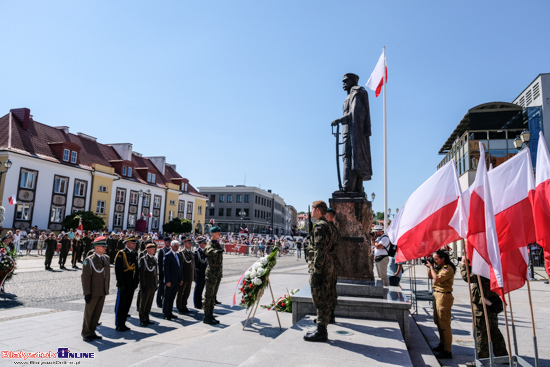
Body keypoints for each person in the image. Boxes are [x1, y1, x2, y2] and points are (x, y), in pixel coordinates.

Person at [460, 257, 507, 365]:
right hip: (491, 300)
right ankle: (503, 356)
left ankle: (482, 360)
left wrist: (463, 264)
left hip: (482, 304)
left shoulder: (482, 265)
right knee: (494, 330)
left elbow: (468, 277)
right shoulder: (491, 261)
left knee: (482, 332)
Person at [330, 73, 372, 193]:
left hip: (352, 132)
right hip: (351, 131)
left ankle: (347, 187)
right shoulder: (351, 95)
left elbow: (356, 113)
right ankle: (357, 188)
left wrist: (341, 119)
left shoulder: (356, 93)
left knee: (348, 157)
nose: (343, 84)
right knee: (353, 158)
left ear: (353, 81)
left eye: (346, 81)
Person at [304, 200, 334, 342]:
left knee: (319, 297)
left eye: (312, 209)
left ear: (317, 210)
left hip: (320, 267)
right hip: (327, 265)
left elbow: (320, 251)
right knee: (325, 295)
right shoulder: (328, 226)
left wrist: (316, 271)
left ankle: (321, 331)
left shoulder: (320, 227)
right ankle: (322, 326)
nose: (311, 212)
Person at [427, 249, 455, 359]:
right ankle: (442, 345)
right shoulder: (440, 267)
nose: (435, 261)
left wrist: (432, 268)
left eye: (436, 259)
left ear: (443, 259)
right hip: (437, 295)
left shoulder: (447, 268)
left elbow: (437, 279)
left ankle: (447, 350)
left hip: (444, 296)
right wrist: (430, 268)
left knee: (444, 324)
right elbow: (431, 277)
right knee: (438, 321)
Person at [81, 236, 110, 342]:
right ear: (97, 247)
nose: (105, 248)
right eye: (103, 246)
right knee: (89, 313)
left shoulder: (106, 258)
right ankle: (86, 332)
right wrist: (87, 293)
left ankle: (92, 331)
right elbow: (85, 278)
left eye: (105, 246)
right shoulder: (89, 260)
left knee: (97, 312)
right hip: (93, 291)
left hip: (102, 290)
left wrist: (106, 289)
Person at [114, 237, 139, 331]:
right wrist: (121, 283)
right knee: (121, 304)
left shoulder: (135, 253)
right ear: (127, 243)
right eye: (132, 243)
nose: (134, 244)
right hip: (124, 283)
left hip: (131, 283)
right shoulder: (121, 253)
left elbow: (136, 269)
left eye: (135, 243)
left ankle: (123, 323)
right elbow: (118, 270)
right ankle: (119, 324)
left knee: (127, 304)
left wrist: (136, 281)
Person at [203, 226, 224, 325]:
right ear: (213, 234)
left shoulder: (218, 244)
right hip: (211, 272)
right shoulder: (210, 244)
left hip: (217, 272)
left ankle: (211, 315)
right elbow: (208, 251)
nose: (220, 234)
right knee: (209, 295)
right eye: (218, 233)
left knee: (213, 295)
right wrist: (217, 252)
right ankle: (206, 316)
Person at [138, 241, 158, 327]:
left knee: (149, 302)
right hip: (146, 284)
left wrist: (156, 283)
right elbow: (141, 274)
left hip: (152, 284)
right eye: (153, 249)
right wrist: (143, 285)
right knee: (144, 303)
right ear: (148, 250)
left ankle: (147, 318)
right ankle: (142, 319)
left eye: (154, 249)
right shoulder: (143, 259)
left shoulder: (154, 259)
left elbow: (155, 272)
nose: (154, 251)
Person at [325, 207, 339, 324]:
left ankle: (324, 317)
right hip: (333, 263)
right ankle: (331, 315)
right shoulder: (335, 229)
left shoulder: (326, 228)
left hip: (326, 263)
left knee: (325, 291)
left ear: (328, 216)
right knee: (331, 290)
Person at [163, 240, 183, 320]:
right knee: (167, 297)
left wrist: (181, 278)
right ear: (171, 246)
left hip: (176, 280)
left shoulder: (178, 255)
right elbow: (166, 269)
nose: (177, 248)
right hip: (170, 280)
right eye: (175, 246)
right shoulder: (168, 255)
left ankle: (170, 312)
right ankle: (166, 313)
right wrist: (167, 280)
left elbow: (180, 268)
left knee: (172, 297)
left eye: (178, 246)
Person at [177, 235, 195, 314]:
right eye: (189, 243)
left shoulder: (191, 253)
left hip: (189, 276)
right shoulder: (181, 253)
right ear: (185, 244)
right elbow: (180, 267)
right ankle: (179, 307)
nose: (190, 244)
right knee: (181, 292)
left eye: (191, 243)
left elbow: (193, 266)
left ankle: (184, 305)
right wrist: (180, 277)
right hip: (184, 276)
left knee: (187, 292)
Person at [156, 237, 172, 308]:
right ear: (165, 242)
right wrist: (160, 273)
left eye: (169, 242)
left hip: (169, 272)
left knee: (167, 288)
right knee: (161, 288)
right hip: (163, 272)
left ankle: (164, 301)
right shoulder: (162, 251)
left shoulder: (171, 250)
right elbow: (160, 263)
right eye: (167, 242)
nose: (169, 243)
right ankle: (159, 301)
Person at [194, 236, 208, 309]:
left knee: (201, 288)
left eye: (205, 243)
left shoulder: (205, 252)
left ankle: (200, 302)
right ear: (200, 244)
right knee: (198, 288)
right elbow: (196, 264)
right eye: (204, 243)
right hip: (199, 273)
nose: (205, 244)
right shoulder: (197, 252)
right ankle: (197, 303)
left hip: (204, 273)